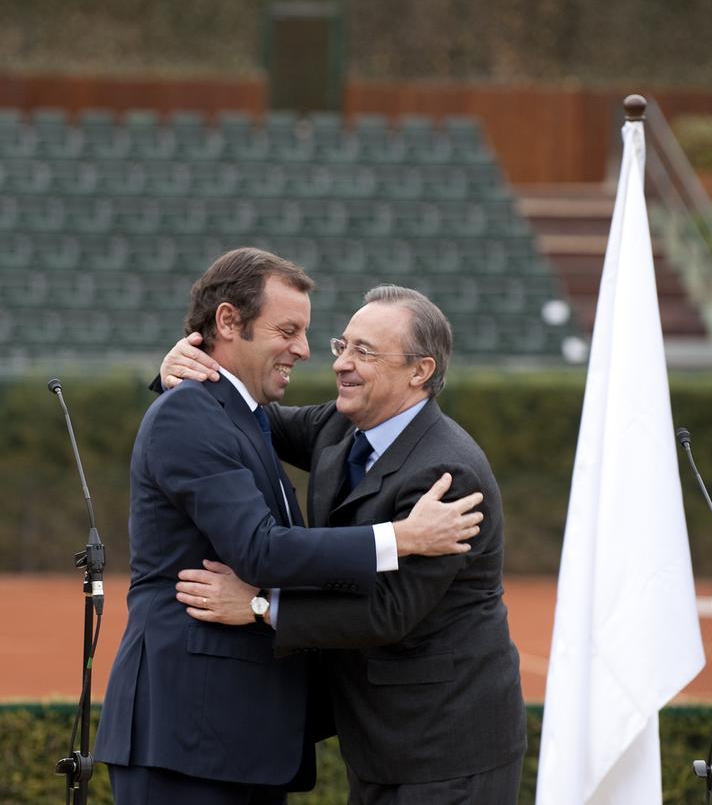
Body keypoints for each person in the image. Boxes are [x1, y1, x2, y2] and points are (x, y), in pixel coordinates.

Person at [95, 250, 486, 804]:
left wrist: (259, 607)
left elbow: (390, 610)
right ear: (229, 322)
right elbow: (259, 549)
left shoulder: (251, 415)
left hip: (241, 743)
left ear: (420, 370)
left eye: (361, 350)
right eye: (290, 330)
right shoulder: (196, 413)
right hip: (189, 741)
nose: (310, 353)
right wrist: (400, 536)